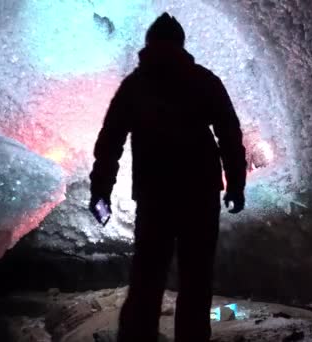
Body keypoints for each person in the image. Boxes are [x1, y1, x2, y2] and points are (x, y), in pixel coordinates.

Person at [89, 13, 247, 342]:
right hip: (200, 194)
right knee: (196, 280)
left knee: (147, 277)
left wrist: (101, 190)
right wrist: (235, 184)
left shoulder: (135, 85)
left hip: (154, 195)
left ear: (148, 44)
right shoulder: (204, 80)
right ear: (181, 44)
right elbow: (229, 135)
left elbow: (110, 142)